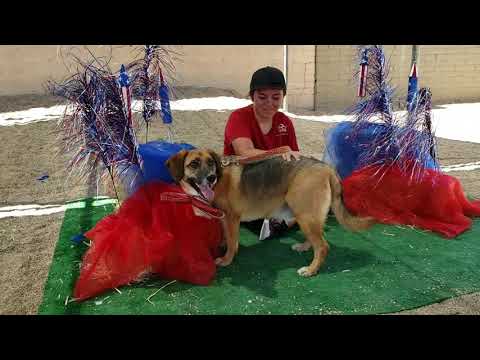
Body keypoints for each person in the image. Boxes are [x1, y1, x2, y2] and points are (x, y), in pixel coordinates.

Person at [223, 66, 300, 239]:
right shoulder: (239, 117)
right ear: (252, 96)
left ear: (283, 97)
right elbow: (244, 154)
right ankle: (281, 220)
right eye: (262, 97)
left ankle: (281, 218)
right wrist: (280, 151)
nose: (269, 103)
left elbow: (295, 160)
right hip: (241, 184)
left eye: (276, 97)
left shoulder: (285, 122)